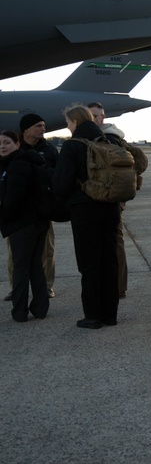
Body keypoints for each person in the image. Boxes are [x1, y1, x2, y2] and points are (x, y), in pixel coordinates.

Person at [54, 105, 121, 329]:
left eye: (68, 122)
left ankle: (92, 316)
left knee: (89, 264)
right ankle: (110, 315)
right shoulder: (110, 142)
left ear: (75, 122)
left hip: (85, 211)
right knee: (109, 261)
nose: (67, 126)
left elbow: (61, 184)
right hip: (111, 208)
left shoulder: (73, 145)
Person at [6, 114, 57, 302]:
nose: (43, 129)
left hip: (43, 209)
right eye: (38, 126)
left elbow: (58, 175)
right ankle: (16, 288)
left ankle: (48, 286)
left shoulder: (49, 149)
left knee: (47, 250)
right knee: (15, 252)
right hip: (18, 211)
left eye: (43, 125)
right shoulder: (14, 148)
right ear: (26, 129)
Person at [1, 131, 49, 322]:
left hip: (24, 223)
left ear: (17, 144)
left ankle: (20, 311)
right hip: (37, 221)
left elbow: (14, 197)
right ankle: (40, 308)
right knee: (35, 265)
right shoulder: (25, 161)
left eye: (6, 142)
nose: (2, 146)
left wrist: (4, 217)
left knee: (21, 267)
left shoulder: (17, 164)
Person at [88, 102, 131, 299]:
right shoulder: (99, 138)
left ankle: (118, 287)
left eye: (97, 115)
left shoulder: (110, 139)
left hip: (111, 198)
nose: (95, 119)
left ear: (103, 117)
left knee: (115, 241)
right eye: (90, 115)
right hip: (102, 197)